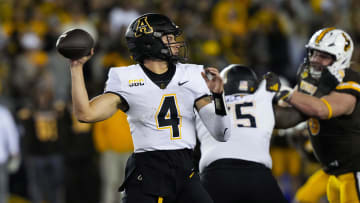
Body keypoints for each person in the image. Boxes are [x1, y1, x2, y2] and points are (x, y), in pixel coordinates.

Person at [68, 13, 231, 203]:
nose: (176, 43)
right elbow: (85, 114)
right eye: (168, 38)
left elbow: (222, 134)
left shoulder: (193, 74)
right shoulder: (125, 78)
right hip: (149, 172)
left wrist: (218, 97)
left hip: (186, 170)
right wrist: (76, 68)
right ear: (148, 43)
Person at [276, 27, 360, 203]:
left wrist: (285, 92)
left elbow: (322, 109)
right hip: (335, 173)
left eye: (323, 56)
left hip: (355, 172)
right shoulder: (314, 81)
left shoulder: (350, 83)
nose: (315, 60)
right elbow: (288, 111)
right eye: (313, 53)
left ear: (340, 58)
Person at [197, 64, 303, 203]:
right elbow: (299, 114)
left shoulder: (204, 103)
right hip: (257, 176)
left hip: (215, 175)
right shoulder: (262, 98)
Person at [0, 104, 20, 203]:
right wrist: (15, 152)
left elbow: (11, 133)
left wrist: (14, 152)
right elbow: (12, 133)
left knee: (2, 190)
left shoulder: (3, 113)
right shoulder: (3, 113)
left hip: (1, 159)